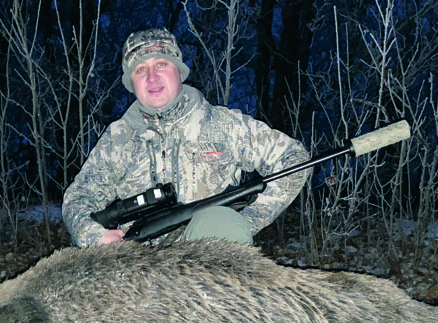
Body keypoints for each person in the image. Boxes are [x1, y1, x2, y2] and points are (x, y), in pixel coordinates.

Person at [62, 28, 310, 247]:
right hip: (137, 264)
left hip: (208, 260)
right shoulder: (117, 139)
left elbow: (294, 159)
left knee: (219, 222)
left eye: (161, 64)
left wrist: (250, 219)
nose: (151, 77)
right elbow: (79, 196)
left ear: (179, 72)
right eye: (140, 70)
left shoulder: (224, 124)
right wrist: (94, 235)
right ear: (132, 84)